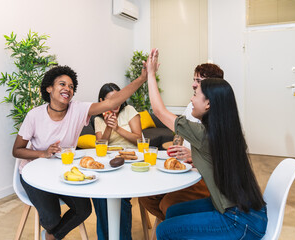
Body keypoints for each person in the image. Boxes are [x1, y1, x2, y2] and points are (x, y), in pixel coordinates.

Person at [12, 65, 147, 240]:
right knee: (51, 218)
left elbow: (112, 102)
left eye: (71, 86)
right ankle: (53, 231)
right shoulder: (34, 116)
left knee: (84, 209)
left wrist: (142, 78)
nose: (67, 89)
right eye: (62, 84)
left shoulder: (78, 109)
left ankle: (51, 236)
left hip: (63, 170)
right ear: (49, 88)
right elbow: (17, 150)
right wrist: (43, 153)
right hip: (34, 173)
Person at [146, 49, 267, 239]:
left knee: (164, 230)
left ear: (208, 104)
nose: (192, 98)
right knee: (172, 212)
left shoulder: (203, 134)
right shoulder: (226, 129)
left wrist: (151, 74)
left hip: (240, 221)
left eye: (196, 93)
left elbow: (159, 111)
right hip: (250, 212)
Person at [138, 63, 224, 221]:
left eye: (198, 81)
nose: (193, 86)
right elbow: (179, 131)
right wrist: (176, 150)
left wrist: (151, 74)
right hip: (182, 166)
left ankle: (175, 224)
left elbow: (159, 111)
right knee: (146, 196)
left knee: (169, 205)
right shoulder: (194, 107)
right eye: (194, 79)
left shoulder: (213, 125)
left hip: (201, 175)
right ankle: (175, 224)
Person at [92, 83, 142, 240]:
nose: (116, 102)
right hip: (109, 162)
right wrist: (108, 127)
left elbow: (140, 140)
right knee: (99, 197)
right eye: (112, 99)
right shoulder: (98, 119)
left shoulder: (129, 111)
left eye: (119, 97)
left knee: (120, 197)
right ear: (102, 100)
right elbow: (101, 145)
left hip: (130, 161)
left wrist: (118, 128)